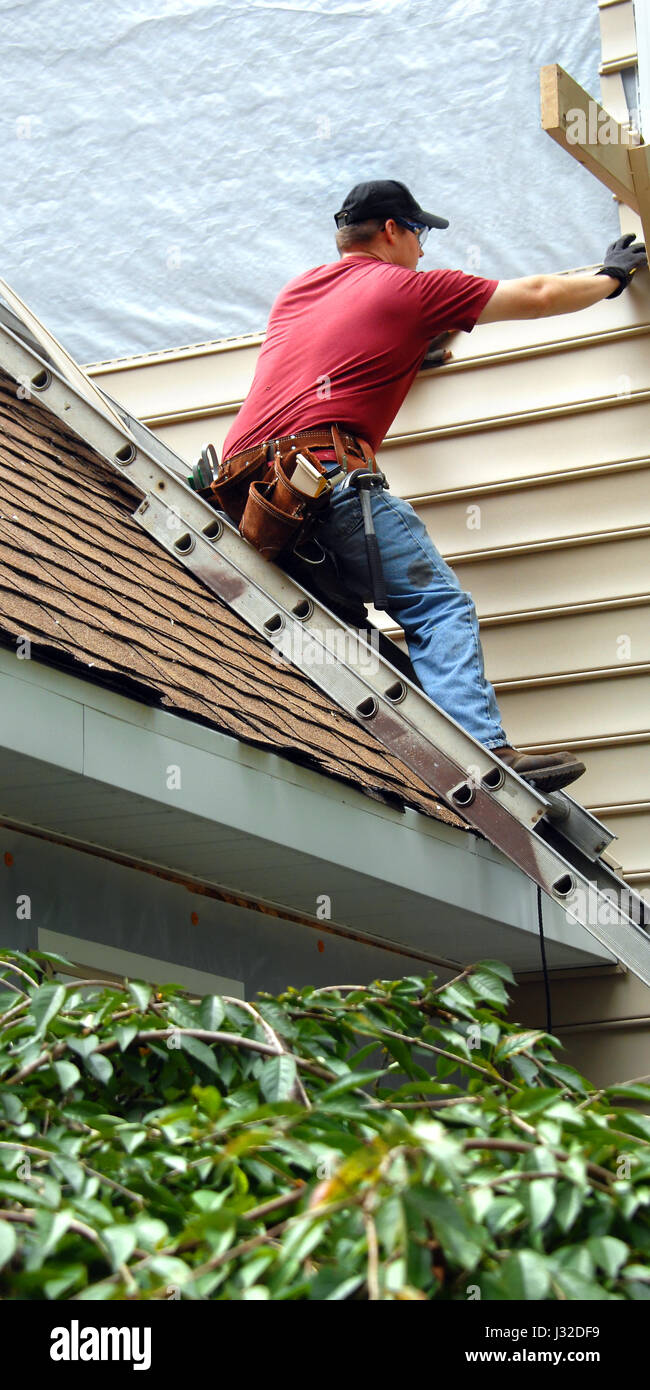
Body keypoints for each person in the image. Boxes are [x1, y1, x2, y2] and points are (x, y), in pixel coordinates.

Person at [221, 179, 647, 792]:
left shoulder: (297, 292)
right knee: (438, 606)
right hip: (325, 478)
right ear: (393, 230)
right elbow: (538, 293)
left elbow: (333, 358)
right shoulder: (409, 288)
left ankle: (390, 762)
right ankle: (482, 753)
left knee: (348, 636)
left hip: (253, 501)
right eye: (419, 235)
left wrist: (408, 351)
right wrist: (611, 278)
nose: (424, 251)